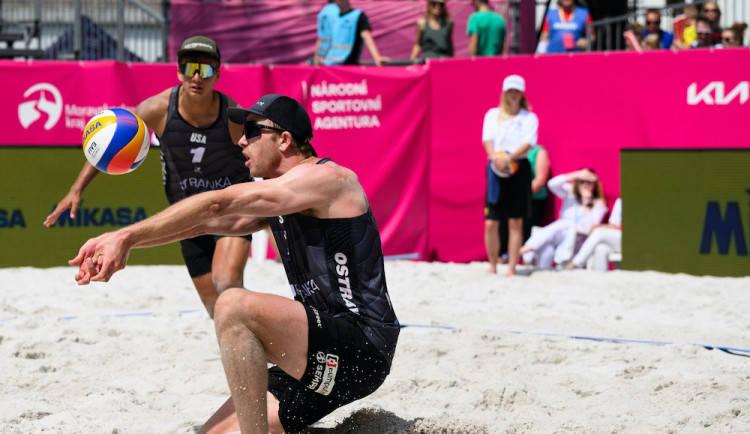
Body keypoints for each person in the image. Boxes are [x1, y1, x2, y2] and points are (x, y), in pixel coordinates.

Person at [68, 94, 400, 434]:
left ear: (284, 139)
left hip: (361, 346)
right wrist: (124, 240)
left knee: (232, 306)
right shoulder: (281, 197)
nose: (242, 140)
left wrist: (126, 237)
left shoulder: (328, 179)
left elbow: (216, 206)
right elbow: (200, 226)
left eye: (253, 131)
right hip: (317, 353)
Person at [44, 36, 251, 319]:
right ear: (178, 71)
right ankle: (249, 351)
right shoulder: (157, 109)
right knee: (215, 309)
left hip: (229, 210)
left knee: (227, 281)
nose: (196, 77)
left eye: (204, 70)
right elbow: (110, 144)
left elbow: (259, 156)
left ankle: (266, 345)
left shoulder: (232, 115)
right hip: (186, 215)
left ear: (217, 74)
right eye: (189, 68)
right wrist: (76, 189)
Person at [482, 74, 538, 276]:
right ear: (504, 93)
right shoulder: (492, 115)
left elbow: (528, 144)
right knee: (491, 221)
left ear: (522, 94)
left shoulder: (529, 118)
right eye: (510, 91)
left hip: (518, 167)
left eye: (516, 91)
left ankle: (512, 266)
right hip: (496, 168)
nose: (513, 95)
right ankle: (493, 264)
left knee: (516, 220)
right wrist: (495, 159)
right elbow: (487, 139)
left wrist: (509, 158)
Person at [519, 168, 608, 270]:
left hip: (577, 240)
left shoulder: (598, 203)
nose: (585, 185)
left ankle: (527, 249)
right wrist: (576, 174)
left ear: (594, 184)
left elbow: (589, 228)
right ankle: (542, 274)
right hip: (559, 236)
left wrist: (586, 202)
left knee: (565, 224)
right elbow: (552, 184)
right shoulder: (570, 193)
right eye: (582, 181)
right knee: (548, 248)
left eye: (589, 182)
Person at [498, 144, 550, 263]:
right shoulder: (506, 150)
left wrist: (520, 196)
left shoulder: (538, 151)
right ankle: (504, 257)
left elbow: (540, 179)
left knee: (525, 232)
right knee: (505, 229)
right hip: (510, 198)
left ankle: (521, 260)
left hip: (532, 199)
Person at [323, 0, 387, 66]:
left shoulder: (357, 16)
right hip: (330, 64)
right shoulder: (333, 18)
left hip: (348, 64)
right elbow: (323, 38)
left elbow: (366, 36)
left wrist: (376, 57)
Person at [566, 197, 622, 271]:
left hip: (633, 239)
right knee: (600, 248)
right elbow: (613, 225)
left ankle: (575, 264)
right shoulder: (620, 201)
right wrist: (598, 226)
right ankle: (600, 279)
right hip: (618, 239)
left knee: (598, 232)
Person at [313, 0, 340, 64]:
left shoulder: (322, 12)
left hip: (322, 55)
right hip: (334, 56)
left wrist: (316, 55)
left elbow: (320, 36)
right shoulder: (339, 11)